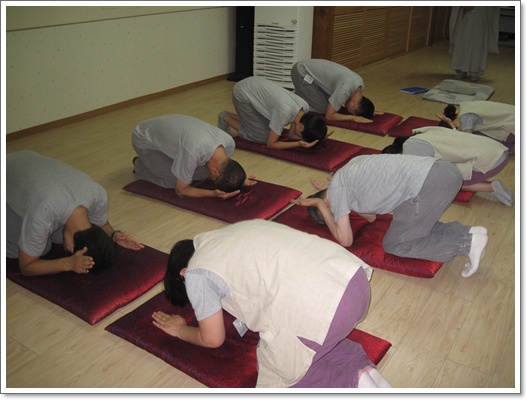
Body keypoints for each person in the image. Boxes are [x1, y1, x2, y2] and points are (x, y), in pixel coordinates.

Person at [152, 219, 391, 388]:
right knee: (310, 344)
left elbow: (213, 339)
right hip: (355, 281)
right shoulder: (231, 233)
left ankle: (351, 385)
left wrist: (180, 330)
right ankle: (365, 373)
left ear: (183, 273)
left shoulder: (196, 272)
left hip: (326, 309)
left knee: (276, 371)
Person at [291, 154, 488, 278]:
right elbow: (371, 217)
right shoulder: (343, 179)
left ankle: (466, 244)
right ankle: (467, 232)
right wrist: (334, 203)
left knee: (395, 244)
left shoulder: (335, 192)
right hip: (445, 171)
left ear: (327, 205)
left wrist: (320, 205)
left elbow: (346, 241)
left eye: (333, 215)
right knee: (409, 221)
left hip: (429, 184)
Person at [6, 150, 144, 276]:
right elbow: (26, 267)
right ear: (70, 246)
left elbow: (103, 225)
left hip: (23, 157)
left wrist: (114, 235)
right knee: (39, 249)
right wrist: (67, 264)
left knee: (49, 237)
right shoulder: (43, 213)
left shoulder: (98, 194)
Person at [381, 126, 513, 206]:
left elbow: (420, 177)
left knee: (450, 181)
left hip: (491, 160)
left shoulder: (411, 148)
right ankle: (487, 183)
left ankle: (491, 187)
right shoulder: (421, 134)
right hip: (498, 150)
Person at [132, 114, 255, 199]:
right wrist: (212, 193)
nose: (211, 180)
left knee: (199, 174)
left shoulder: (229, 143)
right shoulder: (194, 151)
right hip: (145, 141)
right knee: (173, 182)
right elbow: (181, 190)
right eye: (214, 179)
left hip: (171, 132)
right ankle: (140, 165)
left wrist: (239, 179)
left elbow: (227, 168)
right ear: (215, 171)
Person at [217, 76, 328, 150]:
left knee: (268, 127)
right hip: (242, 94)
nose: (301, 138)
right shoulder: (284, 113)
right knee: (262, 136)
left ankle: (243, 119)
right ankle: (225, 117)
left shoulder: (304, 108)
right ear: (301, 127)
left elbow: (291, 135)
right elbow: (270, 144)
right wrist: (298, 143)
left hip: (253, 84)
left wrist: (317, 137)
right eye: (302, 136)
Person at [291, 58, 380, 123]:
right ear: (354, 106)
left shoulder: (360, 85)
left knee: (329, 104)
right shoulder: (345, 88)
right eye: (352, 113)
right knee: (323, 109)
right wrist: (353, 118)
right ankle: (292, 98)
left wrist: (368, 111)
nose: (349, 112)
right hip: (301, 73)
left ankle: (302, 93)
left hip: (308, 69)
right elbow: (329, 116)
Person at [436, 101, 515, 155]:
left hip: (512, 126)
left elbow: (468, 142)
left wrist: (452, 126)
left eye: (457, 128)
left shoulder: (465, 118)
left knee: (474, 137)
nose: (458, 130)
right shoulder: (465, 107)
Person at [449, 6, 500, 82]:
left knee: (477, 42)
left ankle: (475, 71)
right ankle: (461, 68)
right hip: (465, 13)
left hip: (480, 11)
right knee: (462, 40)